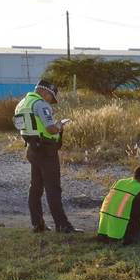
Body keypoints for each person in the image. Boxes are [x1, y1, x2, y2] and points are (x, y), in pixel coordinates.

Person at [13, 80, 82, 234]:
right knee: (53, 189)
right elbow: (51, 129)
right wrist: (60, 125)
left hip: (32, 148)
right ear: (46, 92)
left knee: (35, 188)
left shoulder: (22, 103)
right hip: (46, 150)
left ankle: (37, 224)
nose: (51, 101)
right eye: (51, 97)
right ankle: (62, 225)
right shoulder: (41, 104)